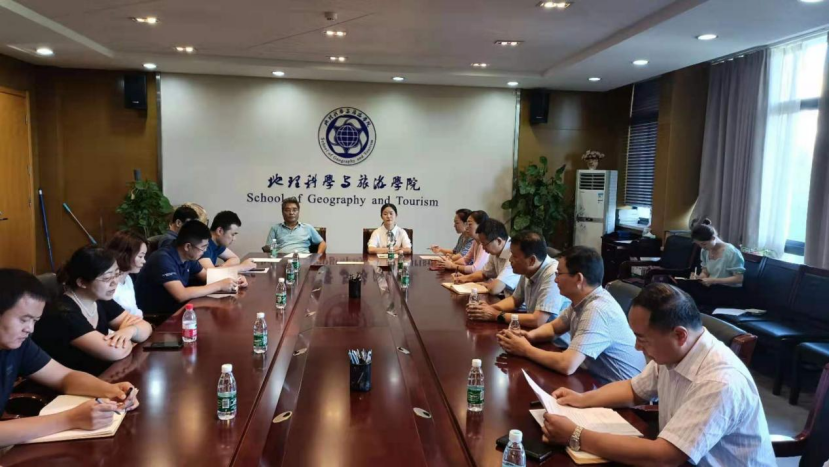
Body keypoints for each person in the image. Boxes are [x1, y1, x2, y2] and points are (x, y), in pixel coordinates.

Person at [541, 283, 775, 467]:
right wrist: (581, 399)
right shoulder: (674, 352)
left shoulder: (719, 382)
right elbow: (633, 390)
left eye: (642, 339)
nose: (637, 347)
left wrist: (576, 435)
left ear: (680, 335)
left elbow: (666, 456)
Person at [0, 269, 140, 447]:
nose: (30, 329)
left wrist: (111, 391)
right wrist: (70, 419)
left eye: (34, 321)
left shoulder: (19, 344)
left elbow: (64, 377)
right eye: (24, 319)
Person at [497, 246, 645, 385]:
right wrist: (529, 336)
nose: (555, 279)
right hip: (592, 380)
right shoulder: (582, 300)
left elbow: (567, 364)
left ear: (578, 279)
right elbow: (554, 328)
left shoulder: (597, 310)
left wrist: (525, 349)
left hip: (619, 394)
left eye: (559, 274)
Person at [32, 247, 153, 375]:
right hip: (68, 383)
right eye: (107, 278)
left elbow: (146, 327)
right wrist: (130, 337)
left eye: (116, 274)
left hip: (100, 376)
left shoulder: (99, 299)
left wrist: (129, 331)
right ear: (82, 282)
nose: (115, 282)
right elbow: (114, 352)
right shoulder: (64, 313)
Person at [136, 220, 246, 316]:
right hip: (157, 316)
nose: (204, 251)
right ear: (188, 246)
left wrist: (235, 278)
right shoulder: (163, 259)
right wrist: (219, 285)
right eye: (203, 247)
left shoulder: (188, 256)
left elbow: (206, 276)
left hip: (178, 309)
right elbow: (181, 294)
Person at [466, 230, 568, 330]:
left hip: (554, 339)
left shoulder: (553, 274)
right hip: (534, 331)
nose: (510, 260)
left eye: (514, 256)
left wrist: (496, 315)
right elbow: (515, 300)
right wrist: (490, 308)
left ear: (531, 260)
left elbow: (538, 320)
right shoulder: (529, 269)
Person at [679, 219, 746, 309]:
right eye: (699, 245)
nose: (702, 247)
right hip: (712, 287)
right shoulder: (705, 251)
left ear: (713, 238)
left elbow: (739, 279)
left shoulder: (732, 252)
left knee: (692, 298)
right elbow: (705, 271)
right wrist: (700, 278)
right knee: (683, 288)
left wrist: (714, 280)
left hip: (727, 290)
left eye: (704, 244)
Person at [453, 218, 520, 295]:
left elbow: (495, 289)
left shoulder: (514, 254)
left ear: (498, 241)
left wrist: (488, 285)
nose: (483, 248)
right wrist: (464, 278)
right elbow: (484, 273)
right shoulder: (495, 252)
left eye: (485, 244)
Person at [106, 230, 148, 317]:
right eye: (140, 256)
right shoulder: (109, 284)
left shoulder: (128, 279)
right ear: (125, 255)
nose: (144, 261)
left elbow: (134, 311)